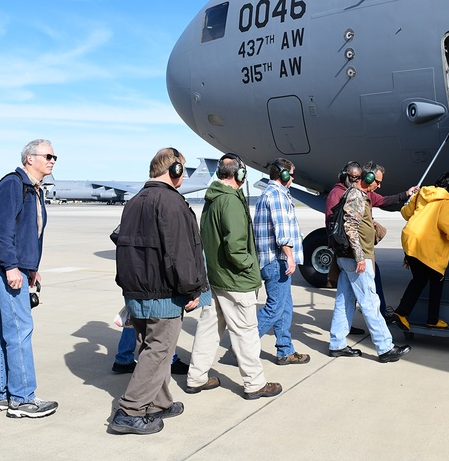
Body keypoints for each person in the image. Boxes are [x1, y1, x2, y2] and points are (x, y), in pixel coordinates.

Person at [108, 147, 209, 435]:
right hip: (162, 295)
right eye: (183, 170)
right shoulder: (171, 203)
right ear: (175, 170)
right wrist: (193, 289)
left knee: (151, 349)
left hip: (136, 291)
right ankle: (129, 411)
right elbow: (181, 253)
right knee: (159, 350)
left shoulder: (135, 200)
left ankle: (158, 403)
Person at [185, 154, 282, 399]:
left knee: (208, 329)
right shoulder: (230, 201)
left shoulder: (212, 198)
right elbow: (236, 247)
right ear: (239, 175)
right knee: (245, 332)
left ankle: (196, 378)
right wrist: (250, 266)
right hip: (235, 280)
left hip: (215, 277)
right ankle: (254, 383)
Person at [0, 139, 58, 418]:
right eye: (47, 155)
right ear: (29, 159)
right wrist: (12, 267)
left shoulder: (33, 189)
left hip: (17, 266)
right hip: (5, 267)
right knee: (20, 330)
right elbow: (1, 230)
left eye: (54, 156)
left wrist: (31, 267)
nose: (52, 160)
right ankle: (23, 399)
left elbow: (28, 232)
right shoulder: (14, 184)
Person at [328, 167, 411, 363]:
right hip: (356, 258)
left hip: (346, 257)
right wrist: (360, 258)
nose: (378, 186)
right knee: (370, 302)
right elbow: (350, 227)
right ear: (368, 177)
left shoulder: (354, 193)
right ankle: (385, 348)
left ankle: (337, 344)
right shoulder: (357, 195)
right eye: (377, 181)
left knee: (344, 301)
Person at [325, 161, 418, 318]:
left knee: (347, 296)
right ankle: (381, 332)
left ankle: (344, 330)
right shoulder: (338, 194)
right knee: (366, 298)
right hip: (350, 252)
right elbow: (335, 225)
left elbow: (382, 200)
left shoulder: (362, 192)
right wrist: (355, 255)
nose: (355, 180)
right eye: (352, 177)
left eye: (357, 177)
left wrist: (405, 194)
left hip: (359, 251)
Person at [393, 172, 449, 330]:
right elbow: (445, 223)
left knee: (419, 279)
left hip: (409, 239)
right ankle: (430, 318)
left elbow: (405, 213)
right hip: (426, 244)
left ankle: (403, 313)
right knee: (437, 279)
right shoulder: (448, 200)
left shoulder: (422, 193)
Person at [254, 158, 309, 365]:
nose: (293, 178)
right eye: (291, 174)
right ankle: (242, 346)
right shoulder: (277, 195)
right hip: (277, 261)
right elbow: (282, 231)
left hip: (274, 261)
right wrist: (290, 257)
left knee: (285, 307)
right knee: (274, 308)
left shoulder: (269, 194)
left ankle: (285, 350)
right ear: (283, 175)